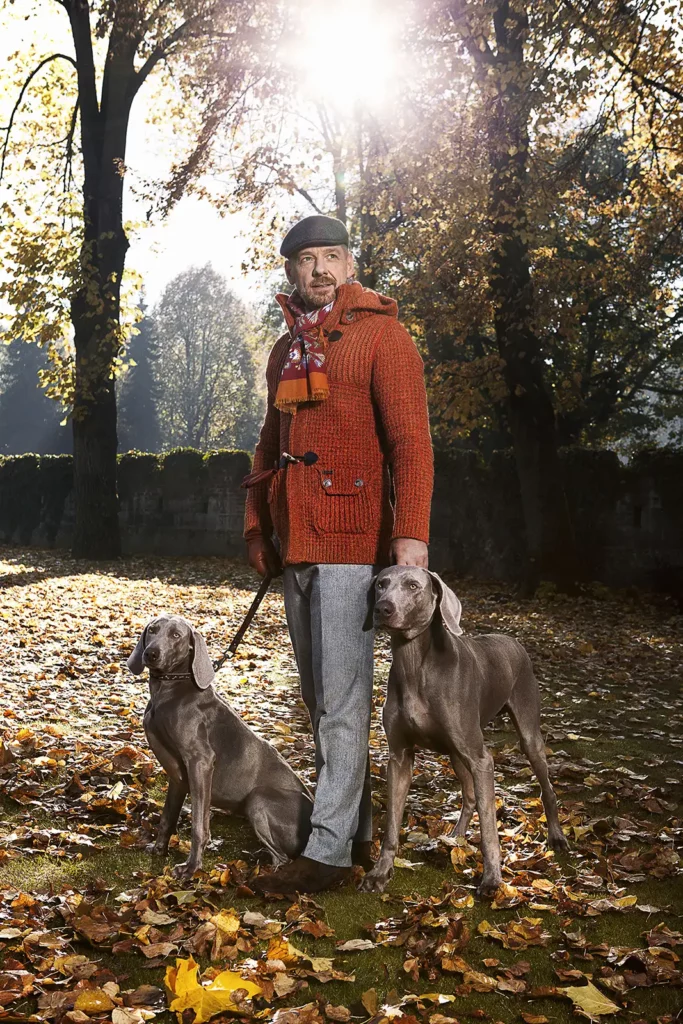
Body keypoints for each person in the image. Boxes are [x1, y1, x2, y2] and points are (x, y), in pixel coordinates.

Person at [244, 214, 433, 893]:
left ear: (349, 265)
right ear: (289, 271)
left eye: (332, 256)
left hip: (354, 541)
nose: (319, 270)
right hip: (296, 541)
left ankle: (325, 856)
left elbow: (411, 445)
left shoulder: (384, 335)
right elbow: (268, 450)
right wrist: (256, 530)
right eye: (305, 260)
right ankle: (348, 832)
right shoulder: (283, 349)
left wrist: (409, 541)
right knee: (318, 696)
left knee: (344, 702)